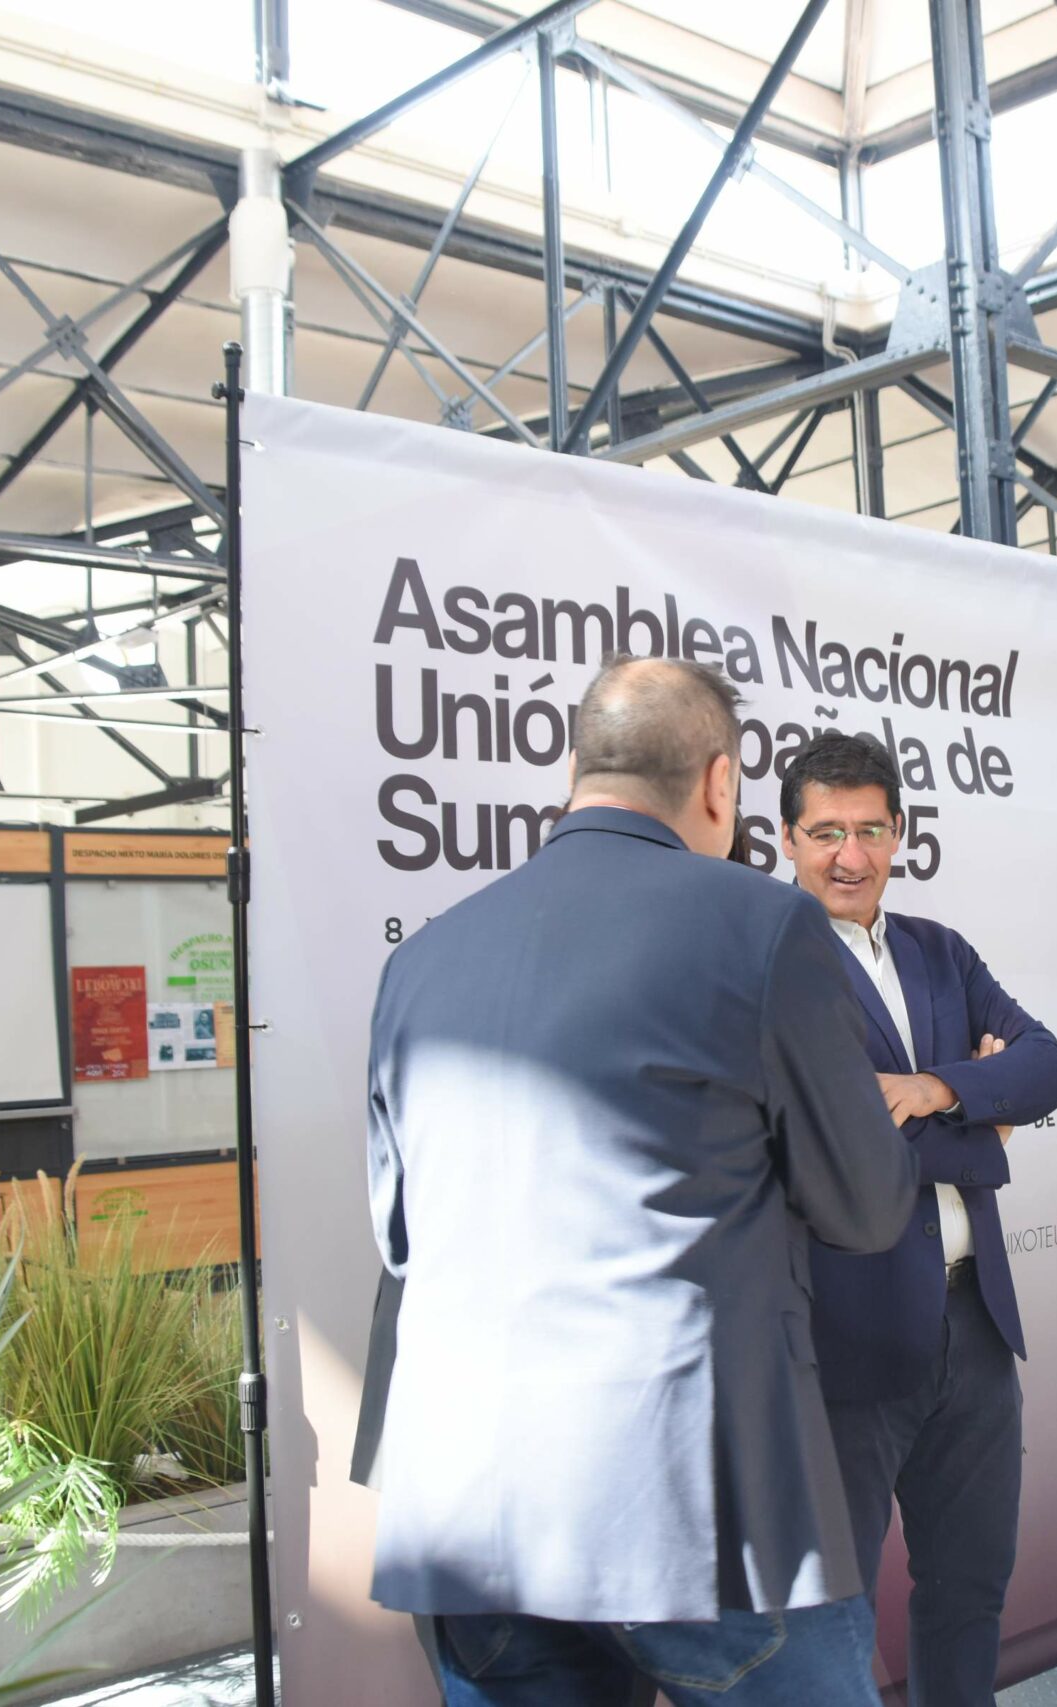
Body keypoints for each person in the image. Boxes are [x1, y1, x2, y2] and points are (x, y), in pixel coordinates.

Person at [362, 658, 920, 1706]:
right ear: (720, 783)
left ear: (575, 773)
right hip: (693, 1498)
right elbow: (867, 1204)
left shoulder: (420, 959)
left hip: (467, 1500)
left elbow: (398, 1235)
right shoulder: (765, 924)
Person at [778, 732, 1057, 1706]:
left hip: (974, 1325)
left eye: (870, 830)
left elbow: (1048, 1066)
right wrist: (983, 1126)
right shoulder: (770, 964)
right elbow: (821, 1146)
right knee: (834, 1614)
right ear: (787, 839)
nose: (850, 855)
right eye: (827, 832)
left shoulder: (938, 950)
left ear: (899, 833)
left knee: (969, 1586)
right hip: (847, 1336)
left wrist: (934, 1090)